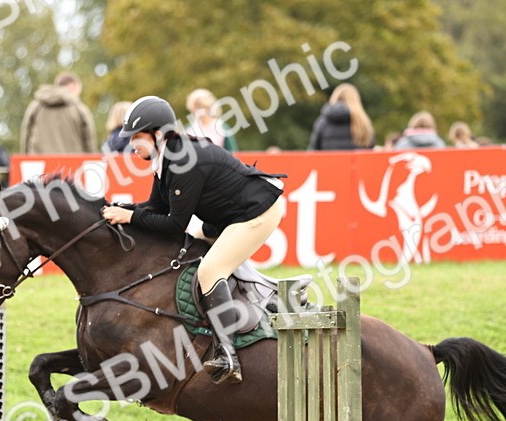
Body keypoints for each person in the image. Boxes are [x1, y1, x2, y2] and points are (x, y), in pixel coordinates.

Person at [101, 96, 286, 385]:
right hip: (231, 215)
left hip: (256, 212)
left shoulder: (181, 160)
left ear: (158, 134)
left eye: (138, 136)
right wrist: (123, 210)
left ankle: (228, 354)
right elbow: (156, 208)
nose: (132, 144)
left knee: (210, 270)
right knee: (196, 250)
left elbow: (175, 224)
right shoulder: (166, 156)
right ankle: (263, 300)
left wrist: (129, 218)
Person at [19, 71, 96, 154]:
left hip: (40, 164)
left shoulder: (35, 107)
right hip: (73, 164)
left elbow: (26, 136)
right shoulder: (80, 109)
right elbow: (89, 141)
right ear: (72, 86)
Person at [307, 83, 375, 151]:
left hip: (329, 161)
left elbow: (314, 151)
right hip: (355, 161)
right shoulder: (364, 124)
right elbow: (370, 151)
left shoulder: (322, 122)